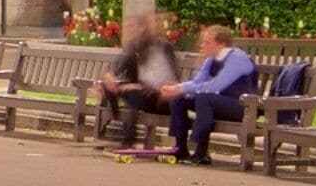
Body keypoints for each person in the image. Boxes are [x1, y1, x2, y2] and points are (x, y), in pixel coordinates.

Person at [168, 25, 261, 166]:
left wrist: (182, 88)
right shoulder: (211, 60)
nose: (202, 45)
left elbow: (216, 86)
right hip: (221, 102)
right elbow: (198, 82)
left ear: (220, 44)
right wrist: (177, 89)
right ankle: (180, 149)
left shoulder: (237, 58)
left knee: (204, 98)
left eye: (207, 42)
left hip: (245, 105)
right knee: (179, 99)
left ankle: (201, 153)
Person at [90, 13, 181, 146]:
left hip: (161, 97)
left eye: (131, 27)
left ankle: (127, 140)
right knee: (109, 86)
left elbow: (167, 79)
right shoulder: (133, 46)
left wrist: (137, 86)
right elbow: (117, 66)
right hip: (141, 94)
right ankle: (112, 132)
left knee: (132, 96)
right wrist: (107, 78)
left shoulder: (162, 47)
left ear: (142, 28)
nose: (127, 31)